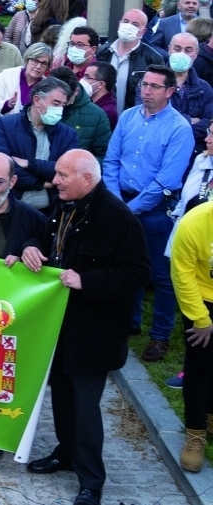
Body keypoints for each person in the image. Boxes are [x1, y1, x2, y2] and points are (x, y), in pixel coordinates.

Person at [19, 150, 149, 505]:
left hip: (95, 333)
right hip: (59, 326)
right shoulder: (64, 205)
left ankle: (92, 480)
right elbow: (45, 241)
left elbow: (137, 273)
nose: (55, 180)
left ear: (86, 179)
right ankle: (65, 452)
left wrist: (87, 281)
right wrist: (30, 248)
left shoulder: (119, 218)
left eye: (62, 175)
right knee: (60, 396)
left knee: (86, 407)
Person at [104, 64, 195, 362]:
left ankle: (160, 336)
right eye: (144, 84)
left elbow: (167, 180)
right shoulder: (128, 117)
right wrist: (119, 204)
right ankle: (128, 322)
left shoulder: (179, 128)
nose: (146, 90)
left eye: (155, 86)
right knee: (127, 266)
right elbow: (111, 162)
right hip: (124, 201)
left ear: (170, 91)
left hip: (156, 209)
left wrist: (128, 210)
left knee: (160, 275)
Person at [0, 77, 79, 211]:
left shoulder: (68, 134)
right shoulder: (5, 125)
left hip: (49, 212)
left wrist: (29, 164)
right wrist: (41, 183)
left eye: (63, 105)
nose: (60, 109)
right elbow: (0, 168)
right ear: (37, 100)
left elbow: (68, 171)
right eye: (56, 103)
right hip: (10, 207)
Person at [170, 193, 213, 471]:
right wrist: (201, 318)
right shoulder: (194, 223)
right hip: (201, 297)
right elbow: (181, 273)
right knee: (199, 366)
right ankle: (195, 433)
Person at [95, 8, 164, 114]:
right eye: (126, 22)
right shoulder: (103, 51)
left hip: (134, 118)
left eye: (135, 24)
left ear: (143, 31)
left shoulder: (153, 59)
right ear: (119, 24)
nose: (128, 26)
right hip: (103, 117)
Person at [50, 67, 112, 162]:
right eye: (55, 102)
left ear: (76, 91)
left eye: (64, 101)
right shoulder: (41, 105)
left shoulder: (97, 116)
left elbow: (104, 156)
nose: (60, 106)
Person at [0, 43, 54, 119]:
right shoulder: (6, 75)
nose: (38, 66)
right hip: (2, 128)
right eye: (35, 61)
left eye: (44, 63)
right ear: (27, 59)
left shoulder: (47, 87)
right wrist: (7, 104)